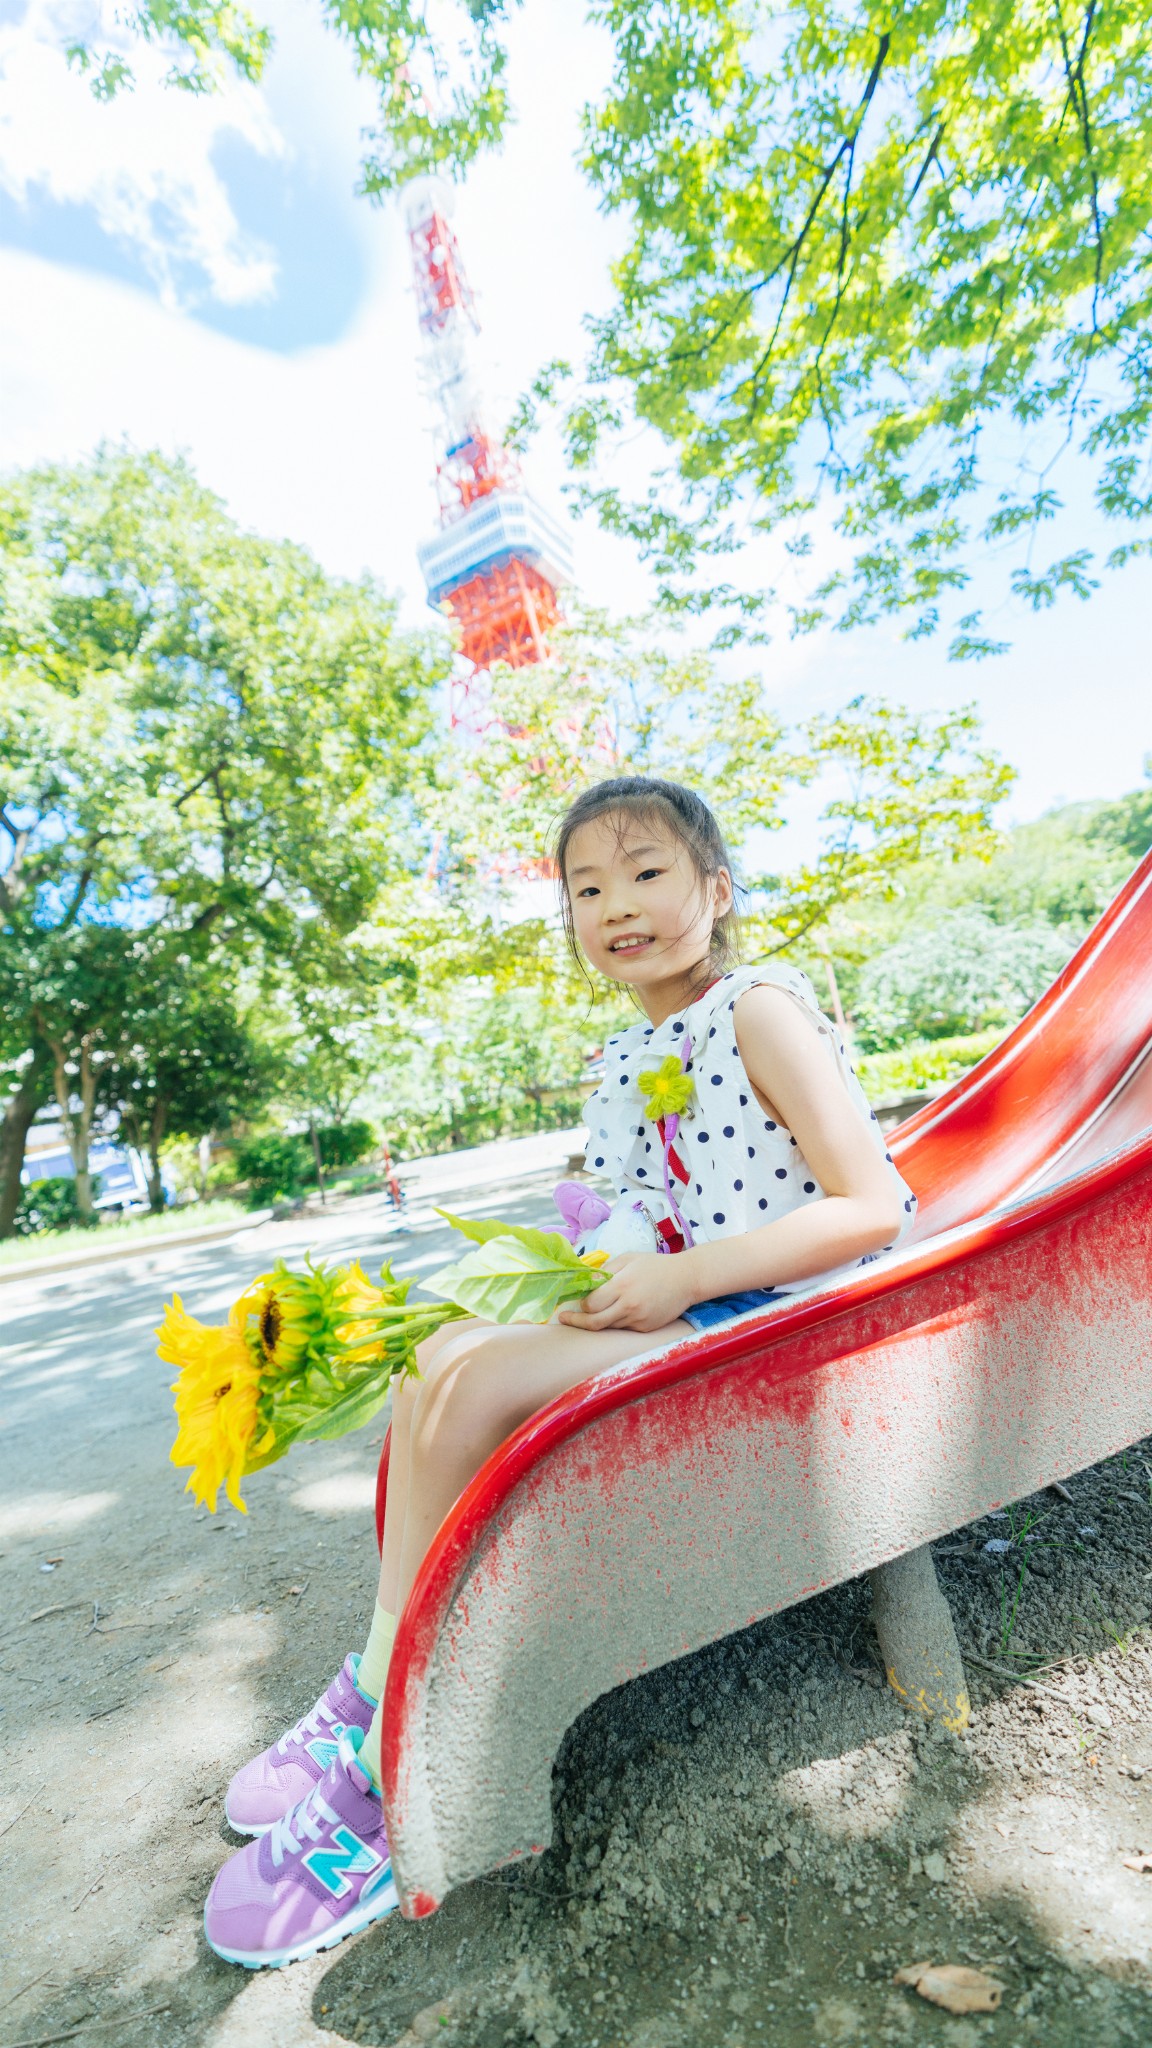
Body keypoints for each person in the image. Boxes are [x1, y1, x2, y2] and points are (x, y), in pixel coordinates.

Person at [203, 775, 917, 1968]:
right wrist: (593, 1272)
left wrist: (684, 1279)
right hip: (692, 1297)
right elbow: (636, 1210)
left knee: (476, 1386)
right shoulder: (628, 1049)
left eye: (647, 873)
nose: (616, 905)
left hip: (776, 1312)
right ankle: (374, 1691)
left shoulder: (760, 1008)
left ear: (717, 889)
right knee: (436, 1360)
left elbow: (873, 1204)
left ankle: (392, 1750)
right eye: (588, 887)